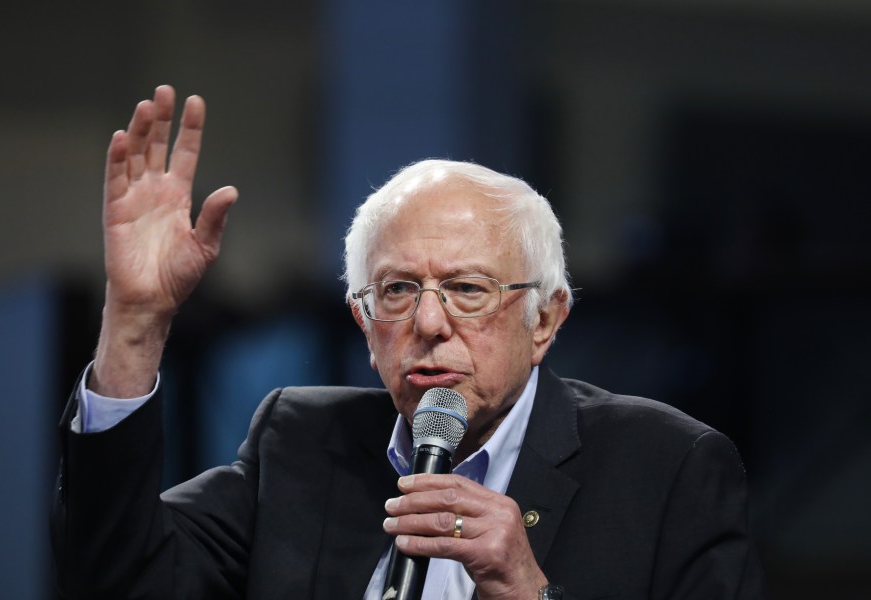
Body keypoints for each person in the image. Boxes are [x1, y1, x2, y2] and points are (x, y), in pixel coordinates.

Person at [51, 85, 765, 600]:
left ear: (544, 320)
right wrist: (137, 320)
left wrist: (528, 591)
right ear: (364, 323)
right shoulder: (300, 446)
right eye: (396, 291)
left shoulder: (668, 468)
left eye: (468, 289)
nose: (427, 323)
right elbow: (118, 575)